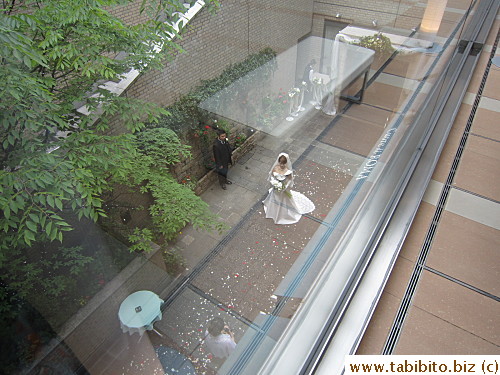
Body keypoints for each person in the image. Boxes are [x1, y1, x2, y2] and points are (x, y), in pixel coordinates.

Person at [262, 153, 315, 224]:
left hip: (283, 189)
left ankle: (281, 215)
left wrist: (284, 187)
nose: (282, 165)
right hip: (276, 188)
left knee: (283, 200)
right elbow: (272, 176)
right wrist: (274, 182)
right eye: (280, 163)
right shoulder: (275, 168)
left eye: (283, 163)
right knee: (275, 198)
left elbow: (289, 180)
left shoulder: (288, 171)